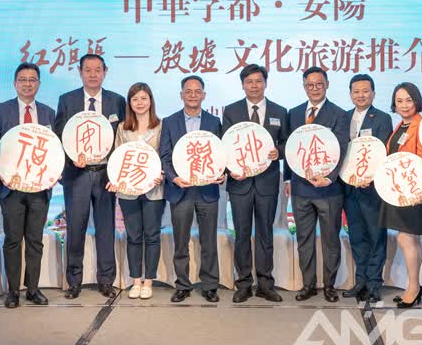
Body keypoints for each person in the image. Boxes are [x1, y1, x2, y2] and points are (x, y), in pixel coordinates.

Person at [54, 53, 126, 299]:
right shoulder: (67, 100)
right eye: (88, 70)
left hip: (106, 175)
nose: (93, 74)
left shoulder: (117, 101)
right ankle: (74, 281)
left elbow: (122, 138)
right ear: (80, 72)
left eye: (97, 70)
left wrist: (118, 171)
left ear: (105, 72)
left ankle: (106, 280)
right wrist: (70, 159)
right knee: (76, 229)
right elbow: (59, 136)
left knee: (106, 229)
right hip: (77, 175)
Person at [0, 62, 56, 308]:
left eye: (32, 80)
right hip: (11, 189)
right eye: (23, 80)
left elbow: (54, 150)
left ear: (39, 84)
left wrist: (55, 173)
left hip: (39, 189)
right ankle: (13, 290)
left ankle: (33, 289)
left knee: (35, 240)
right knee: (13, 240)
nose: (28, 84)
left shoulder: (48, 113)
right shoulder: (0, 110)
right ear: (15, 83)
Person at [221, 64, 287, 303]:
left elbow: (287, 143)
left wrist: (278, 152)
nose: (254, 86)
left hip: (267, 183)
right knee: (241, 235)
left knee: (265, 235)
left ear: (265, 83)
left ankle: (266, 284)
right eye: (249, 82)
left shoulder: (280, 111)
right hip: (240, 184)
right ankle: (244, 284)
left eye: (259, 81)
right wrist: (230, 170)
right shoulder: (231, 111)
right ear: (243, 85)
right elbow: (224, 146)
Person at [283, 66, 349, 303]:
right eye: (309, 85)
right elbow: (290, 149)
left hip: (329, 190)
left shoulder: (339, 114)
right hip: (300, 188)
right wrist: (287, 178)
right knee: (304, 239)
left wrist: (329, 177)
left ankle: (329, 286)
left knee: (331, 239)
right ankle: (308, 285)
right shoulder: (293, 113)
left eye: (319, 84)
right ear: (304, 87)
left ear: (327, 85)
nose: (314, 89)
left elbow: (342, 150)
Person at [160, 75, 224, 303]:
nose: (193, 95)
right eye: (189, 91)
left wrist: (221, 173)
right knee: (180, 242)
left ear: (204, 95)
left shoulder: (214, 122)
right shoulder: (169, 122)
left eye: (197, 91)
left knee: (209, 241)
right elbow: (165, 156)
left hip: (208, 190)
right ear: (181, 95)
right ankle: (182, 285)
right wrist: (174, 178)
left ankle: (209, 286)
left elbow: (220, 154)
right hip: (181, 190)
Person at [107, 82, 165, 300]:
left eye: (143, 98)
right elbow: (116, 158)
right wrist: (115, 180)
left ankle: (148, 281)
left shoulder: (161, 126)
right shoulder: (123, 128)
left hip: (154, 190)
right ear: (129, 103)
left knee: (152, 235)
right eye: (135, 99)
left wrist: (162, 174)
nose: (139, 103)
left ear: (150, 100)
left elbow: (165, 156)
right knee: (133, 236)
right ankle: (136, 281)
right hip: (128, 191)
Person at [379, 82, 422, 309]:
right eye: (399, 101)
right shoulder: (401, 126)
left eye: (408, 100)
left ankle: (413, 288)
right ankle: (414, 286)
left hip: (415, 190)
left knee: (406, 238)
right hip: (399, 190)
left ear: (417, 101)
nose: (404, 105)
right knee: (410, 239)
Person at [342, 74, 392, 303]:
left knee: (376, 236)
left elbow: (382, 152)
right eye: (356, 91)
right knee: (356, 236)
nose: (360, 95)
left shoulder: (382, 118)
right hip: (349, 188)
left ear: (373, 93)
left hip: (372, 189)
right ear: (350, 94)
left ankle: (374, 283)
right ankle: (360, 280)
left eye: (365, 91)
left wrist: (370, 176)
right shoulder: (343, 118)